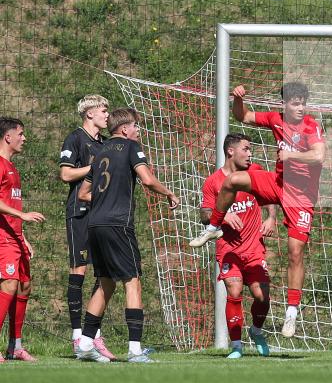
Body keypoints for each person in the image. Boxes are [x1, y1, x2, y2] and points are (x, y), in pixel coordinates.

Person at [199, 82, 325, 340]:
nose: (300, 108)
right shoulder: (275, 119)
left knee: (295, 251)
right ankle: (213, 227)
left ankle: (291, 312)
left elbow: (319, 156)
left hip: (300, 196)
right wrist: (237, 98)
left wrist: (292, 157)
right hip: (278, 185)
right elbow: (242, 116)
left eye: (303, 103)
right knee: (233, 181)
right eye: (295, 103)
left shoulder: (311, 126)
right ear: (284, 104)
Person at [75, 108, 180, 363]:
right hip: (118, 224)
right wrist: (169, 194)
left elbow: (83, 194)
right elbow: (147, 179)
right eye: (136, 126)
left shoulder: (99, 153)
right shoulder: (131, 147)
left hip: (95, 224)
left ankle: (86, 344)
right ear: (124, 129)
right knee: (132, 281)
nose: (138, 131)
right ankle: (135, 350)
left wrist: (104, 200)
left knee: (105, 282)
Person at [199, 133, 276, 359]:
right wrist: (222, 216)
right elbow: (204, 214)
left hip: (254, 248)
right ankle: (236, 346)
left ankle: (256, 331)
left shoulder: (255, 172)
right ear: (231, 151)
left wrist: (271, 217)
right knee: (234, 291)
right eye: (246, 149)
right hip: (229, 250)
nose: (250, 154)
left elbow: (270, 194)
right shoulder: (213, 181)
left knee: (262, 296)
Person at [58, 94, 116, 360]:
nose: (107, 115)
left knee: (104, 273)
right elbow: (66, 174)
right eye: (103, 110)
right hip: (79, 214)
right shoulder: (75, 138)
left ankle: (92, 337)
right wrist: (91, 168)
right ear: (90, 113)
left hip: (102, 215)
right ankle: (76, 336)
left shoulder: (104, 143)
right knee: (78, 272)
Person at [0, 118, 46, 362]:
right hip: (2, 237)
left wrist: (23, 236)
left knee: (24, 286)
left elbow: (11, 202)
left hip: (15, 237)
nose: (24, 138)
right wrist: (22, 215)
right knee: (8, 284)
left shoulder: (13, 168)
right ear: (8, 137)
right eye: (21, 133)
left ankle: (15, 346)